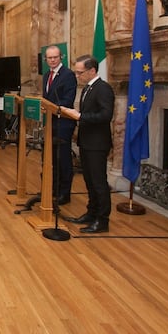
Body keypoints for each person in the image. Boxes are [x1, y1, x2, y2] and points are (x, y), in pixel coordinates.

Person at [60, 55, 114, 234]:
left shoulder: (103, 89)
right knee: (89, 181)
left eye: (80, 72)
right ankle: (91, 213)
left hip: (98, 144)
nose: (77, 76)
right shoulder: (86, 89)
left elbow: (106, 116)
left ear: (92, 71)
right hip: (86, 141)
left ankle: (102, 220)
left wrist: (80, 116)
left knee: (99, 183)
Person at [42, 46, 77, 205]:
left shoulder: (68, 75)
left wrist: (51, 107)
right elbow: (46, 97)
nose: (52, 60)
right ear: (46, 59)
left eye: (55, 57)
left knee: (63, 159)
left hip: (63, 123)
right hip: (50, 122)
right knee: (52, 158)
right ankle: (54, 189)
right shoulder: (46, 76)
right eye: (49, 58)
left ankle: (65, 193)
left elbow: (68, 100)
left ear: (60, 57)